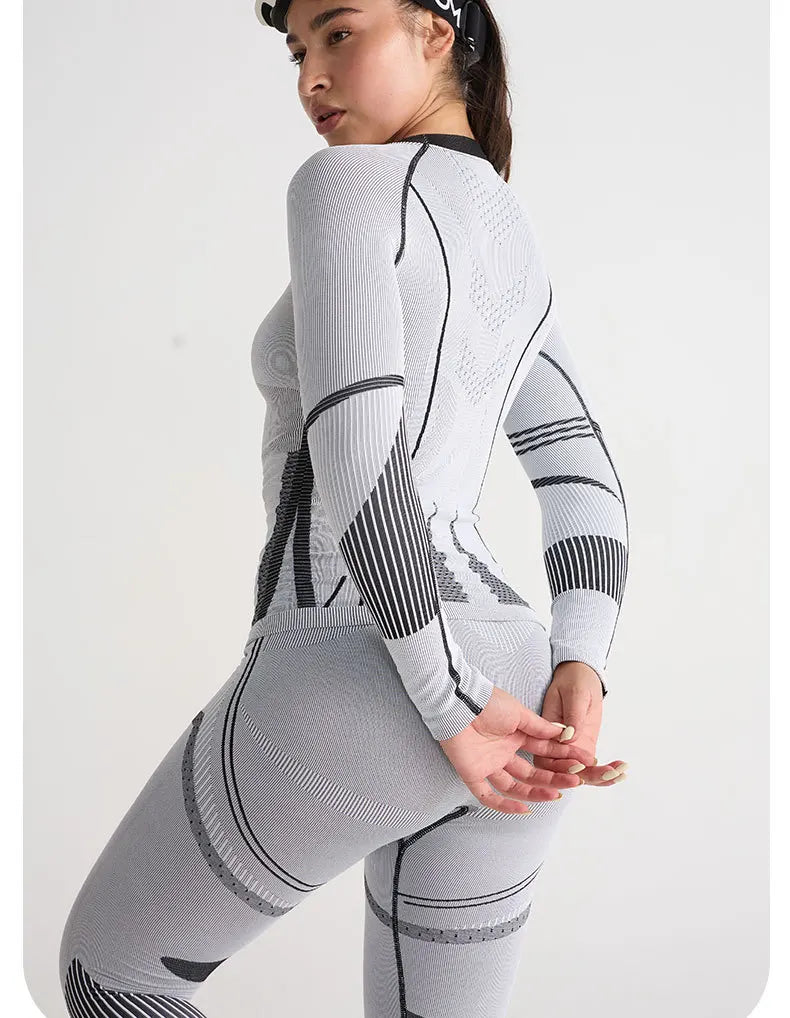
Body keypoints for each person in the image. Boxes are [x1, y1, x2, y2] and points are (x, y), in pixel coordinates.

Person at [58, 1, 630, 1015]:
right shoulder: (511, 238)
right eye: (297, 51)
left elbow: (360, 454)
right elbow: (582, 469)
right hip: (520, 683)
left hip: (366, 664)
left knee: (112, 974)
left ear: (435, 33)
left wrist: (446, 698)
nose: (309, 78)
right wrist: (579, 660)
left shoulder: (344, 186)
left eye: (339, 33)